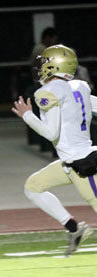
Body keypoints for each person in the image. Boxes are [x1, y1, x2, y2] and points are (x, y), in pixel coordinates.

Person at [12, 44, 97, 256]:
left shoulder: (48, 92)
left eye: (45, 62)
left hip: (84, 166)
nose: (41, 66)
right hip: (72, 162)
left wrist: (27, 116)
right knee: (33, 187)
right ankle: (75, 229)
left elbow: (50, 133)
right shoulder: (79, 86)